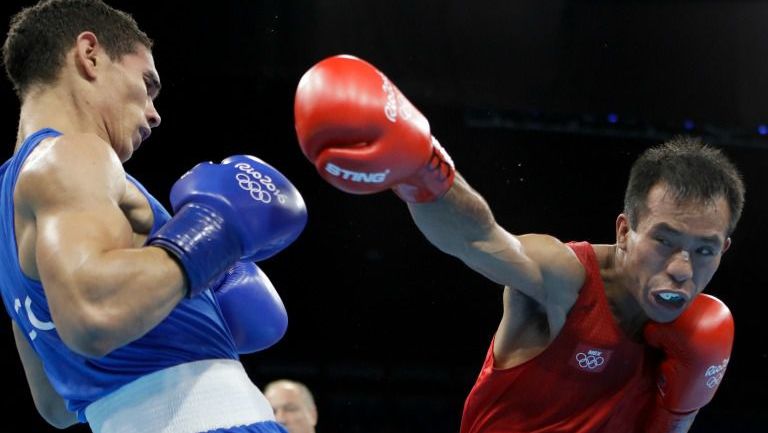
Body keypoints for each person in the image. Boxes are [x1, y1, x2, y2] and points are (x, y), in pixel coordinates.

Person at [293, 54, 743, 433]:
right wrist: (423, 171)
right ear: (625, 232)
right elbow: (478, 239)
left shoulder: (696, 336)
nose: (682, 267)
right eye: (665, 241)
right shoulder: (567, 279)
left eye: (703, 250)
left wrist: (679, 413)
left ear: (723, 249)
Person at [0, 1, 307, 432]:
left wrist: (182, 314)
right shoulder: (73, 154)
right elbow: (93, 312)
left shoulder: (12, 215)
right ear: (89, 55)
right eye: (147, 84)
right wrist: (212, 235)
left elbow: (55, 402)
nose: (154, 112)